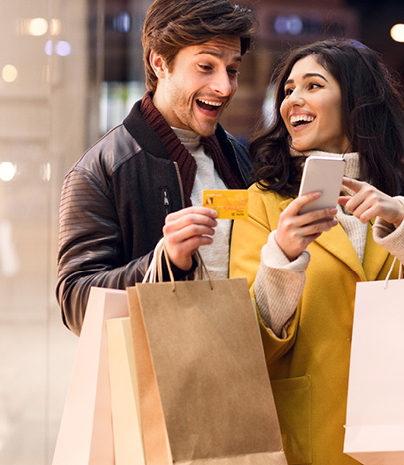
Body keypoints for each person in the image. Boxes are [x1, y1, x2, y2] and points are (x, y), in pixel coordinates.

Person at [229, 39, 404, 465]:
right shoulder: (262, 203)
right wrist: (282, 256)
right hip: (309, 435)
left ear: (356, 102)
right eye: (288, 90)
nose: (293, 101)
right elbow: (243, 347)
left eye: (312, 85)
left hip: (403, 434)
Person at [56, 0, 256, 336]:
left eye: (232, 70)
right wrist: (164, 263)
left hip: (239, 371)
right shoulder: (101, 169)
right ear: (159, 63)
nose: (224, 87)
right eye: (206, 67)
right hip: (150, 380)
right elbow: (75, 303)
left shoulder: (240, 159)